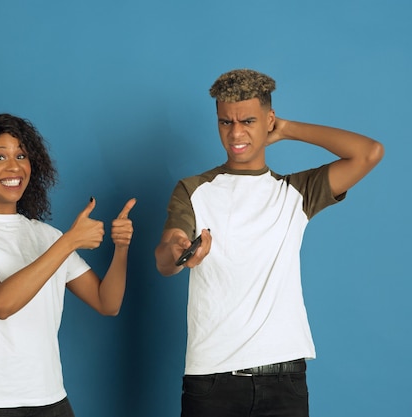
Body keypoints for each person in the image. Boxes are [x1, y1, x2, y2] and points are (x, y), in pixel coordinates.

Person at [154, 69, 384, 417]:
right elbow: (166, 255)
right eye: (225, 122)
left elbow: (369, 152)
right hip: (212, 380)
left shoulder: (296, 193)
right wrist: (179, 252)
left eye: (248, 120)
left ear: (269, 120)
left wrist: (289, 129)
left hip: (284, 381)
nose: (235, 133)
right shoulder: (194, 190)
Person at [0, 113, 136, 417]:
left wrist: (121, 248)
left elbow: (107, 302)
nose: (14, 166)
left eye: (21, 155)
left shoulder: (46, 236)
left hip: (50, 399)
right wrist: (69, 242)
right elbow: (0, 303)